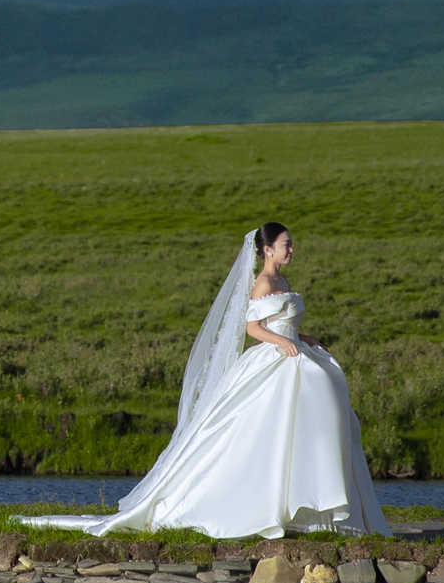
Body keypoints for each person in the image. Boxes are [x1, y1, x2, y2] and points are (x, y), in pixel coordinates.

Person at [26, 223, 387, 539]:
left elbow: (285, 322)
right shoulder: (262, 283)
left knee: (314, 416)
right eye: (286, 244)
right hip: (275, 358)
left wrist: (304, 340)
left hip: (292, 352)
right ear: (267, 250)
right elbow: (253, 328)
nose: (291, 250)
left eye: (291, 244)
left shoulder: (284, 281)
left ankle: (310, 507)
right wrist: (283, 343)